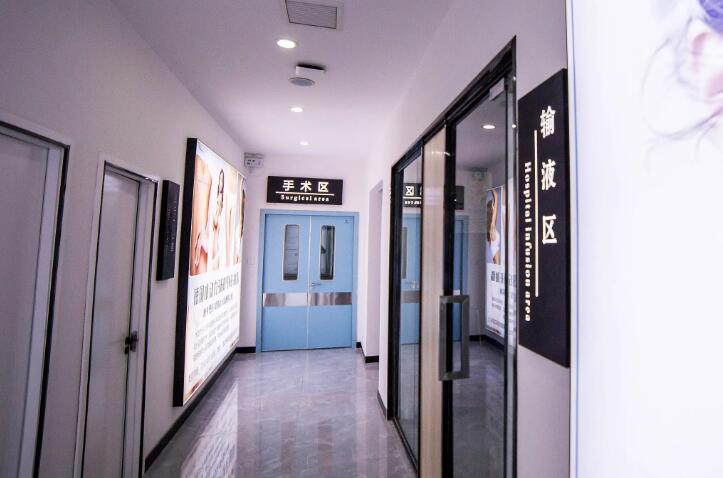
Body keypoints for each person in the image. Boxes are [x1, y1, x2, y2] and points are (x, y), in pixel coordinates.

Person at [486, 188, 501, 265]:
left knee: (496, 268)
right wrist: (492, 189)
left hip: (493, 249)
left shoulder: (490, 227)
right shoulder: (492, 225)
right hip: (495, 249)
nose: (495, 206)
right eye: (493, 205)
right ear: (491, 209)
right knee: (497, 268)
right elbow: (496, 196)